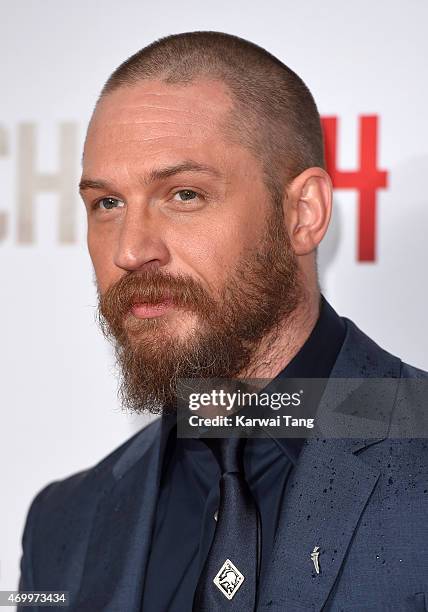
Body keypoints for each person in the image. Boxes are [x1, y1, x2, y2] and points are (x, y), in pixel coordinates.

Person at [18, 31, 428, 611]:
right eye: (107, 204)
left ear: (304, 213)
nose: (130, 251)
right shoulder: (62, 525)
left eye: (183, 194)